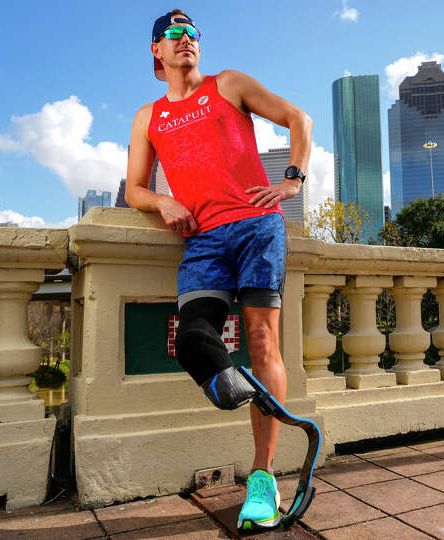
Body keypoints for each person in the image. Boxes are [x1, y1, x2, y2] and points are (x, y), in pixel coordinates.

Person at [124, 9, 312, 531]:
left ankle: (262, 475)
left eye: (192, 34)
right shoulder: (149, 116)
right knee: (192, 337)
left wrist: (292, 181)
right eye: (172, 34)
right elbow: (134, 186)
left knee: (262, 340)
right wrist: (162, 203)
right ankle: (238, 387)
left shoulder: (227, 85)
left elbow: (300, 119)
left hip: (257, 227)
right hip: (203, 239)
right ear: (156, 54)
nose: (185, 40)